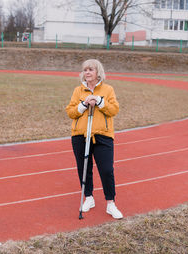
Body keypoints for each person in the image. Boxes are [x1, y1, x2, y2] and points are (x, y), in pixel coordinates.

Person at [65, 59, 123, 219]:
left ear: (98, 72)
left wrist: (100, 101)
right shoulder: (78, 91)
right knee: (84, 168)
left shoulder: (108, 89)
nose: (87, 72)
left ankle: (111, 203)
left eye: (91, 69)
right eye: (85, 70)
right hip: (80, 136)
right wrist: (83, 104)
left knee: (106, 170)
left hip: (102, 135)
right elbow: (70, 112)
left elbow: (114, 110)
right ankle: (89, 197)